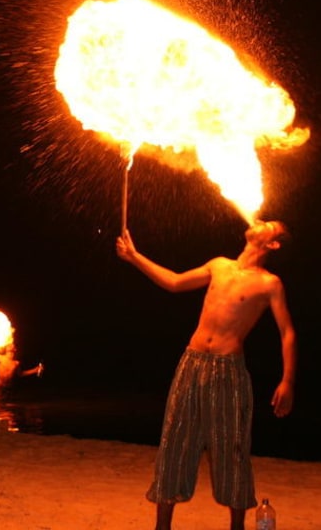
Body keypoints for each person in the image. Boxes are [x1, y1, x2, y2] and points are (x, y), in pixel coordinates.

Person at [116, 220, 296, 530]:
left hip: (228, 370)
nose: (260, 221)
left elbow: (287, 332)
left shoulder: (269, 284)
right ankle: (162, 527)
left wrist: (288, 381)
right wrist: (135, 256)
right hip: (192, 362)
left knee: (232, 448)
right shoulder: (219, 265)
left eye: (270, 224)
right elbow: (174, 282)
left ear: (273, 244)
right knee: (175, 440)